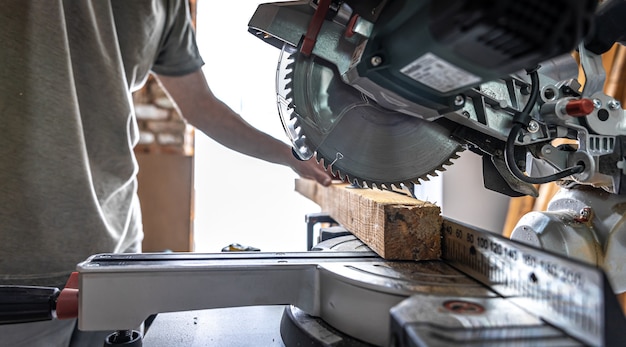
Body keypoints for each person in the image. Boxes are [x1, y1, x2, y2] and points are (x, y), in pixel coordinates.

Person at [0, 1, 332, 346]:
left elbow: (199, 104)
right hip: (18, 272)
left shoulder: (166, 5)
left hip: (115, 253)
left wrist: (293, 156)